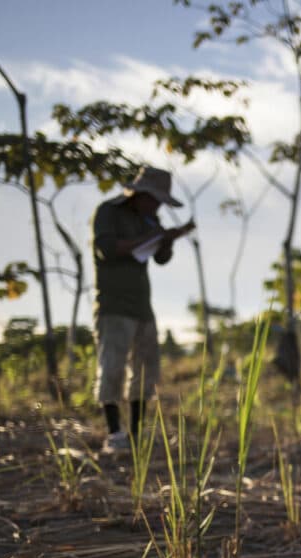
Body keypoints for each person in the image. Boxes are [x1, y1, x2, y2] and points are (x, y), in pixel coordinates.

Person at [91, 165, 194, 452]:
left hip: (142, 306)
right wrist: (148, 239)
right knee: (112, 368)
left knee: (146, 369)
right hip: (114, 305)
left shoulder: (151, 220)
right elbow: (107, 249)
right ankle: (114, 433)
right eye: (155, 199)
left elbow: (160, 259)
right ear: (141, 193)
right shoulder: (109, 212)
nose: (158, 206)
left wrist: (167, 241)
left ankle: (136, 436)